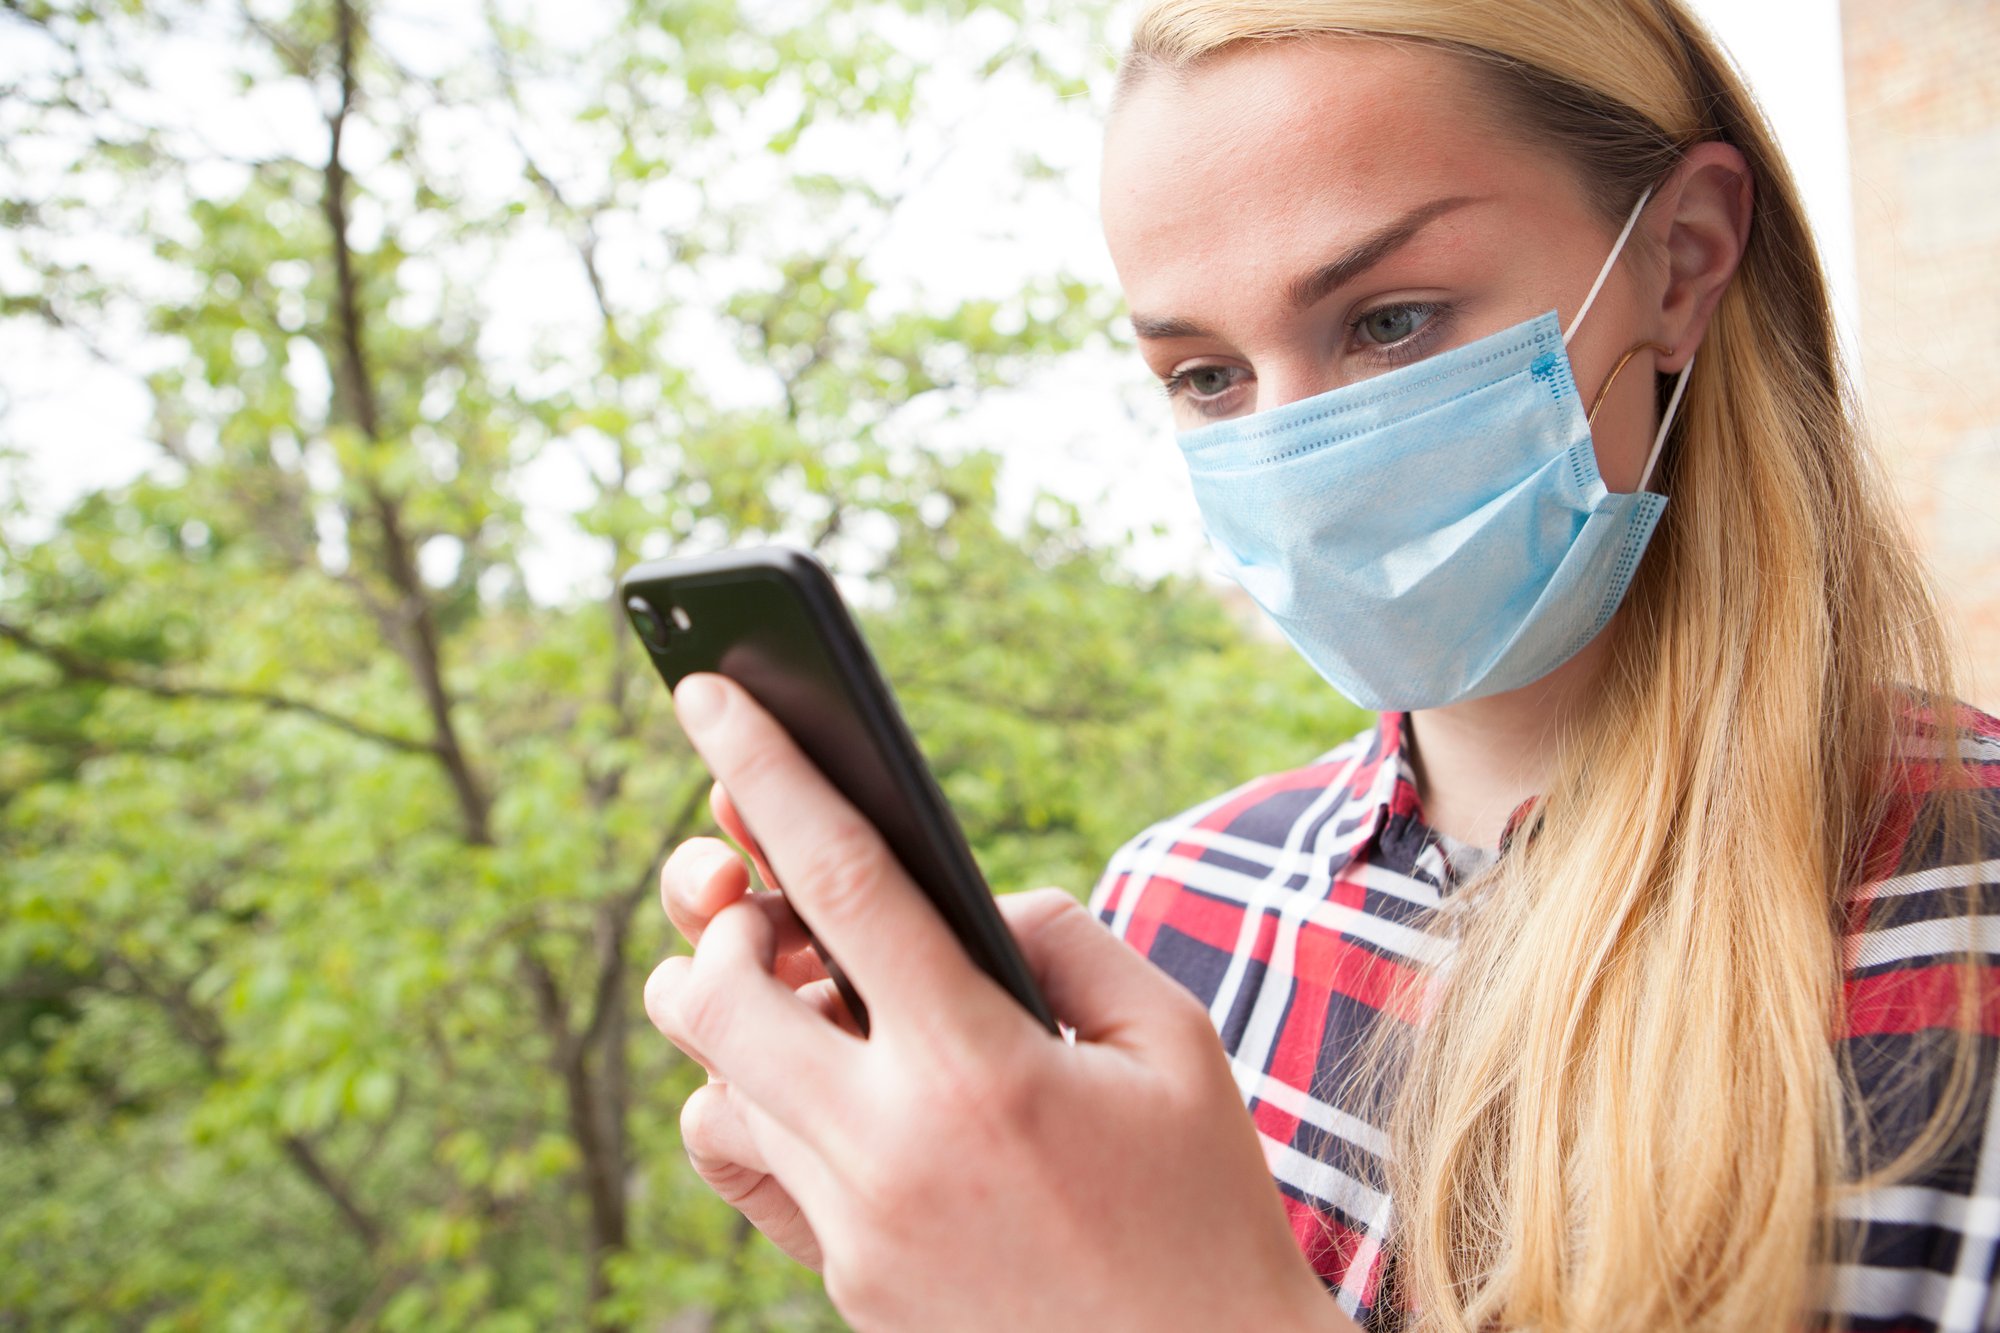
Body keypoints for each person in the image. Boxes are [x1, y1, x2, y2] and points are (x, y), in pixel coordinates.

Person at [641, 1, 2000, 1329]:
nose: (1297, 465)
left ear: (1682, 262)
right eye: (1207, 376)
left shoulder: (1965, 914)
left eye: (1391, 318)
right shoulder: (1164, 918)